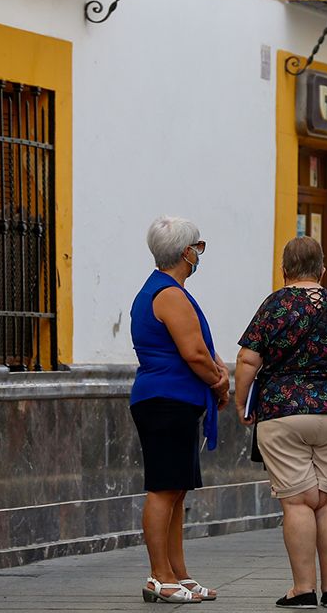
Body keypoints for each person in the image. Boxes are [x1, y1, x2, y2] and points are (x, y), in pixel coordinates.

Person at [234, 236, 327, 609]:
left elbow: (248, 360)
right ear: (322, 270)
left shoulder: (275, 306)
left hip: (283, 412)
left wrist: (241, 401)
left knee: (297, 503)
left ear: (284, 271)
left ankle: (303, 589)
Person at [130, 216, 230, 603]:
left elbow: (200, 347)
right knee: (163, 489)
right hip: (166, 400)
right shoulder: (168, 294)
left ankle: (177, 572)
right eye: (198, 247)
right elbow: (194, 352)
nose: (199, 254)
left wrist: (214, 374)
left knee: (175, 491)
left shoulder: (167, 291)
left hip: (174, 400)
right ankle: (159, 576)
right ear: (186, 252)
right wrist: (219, 382)